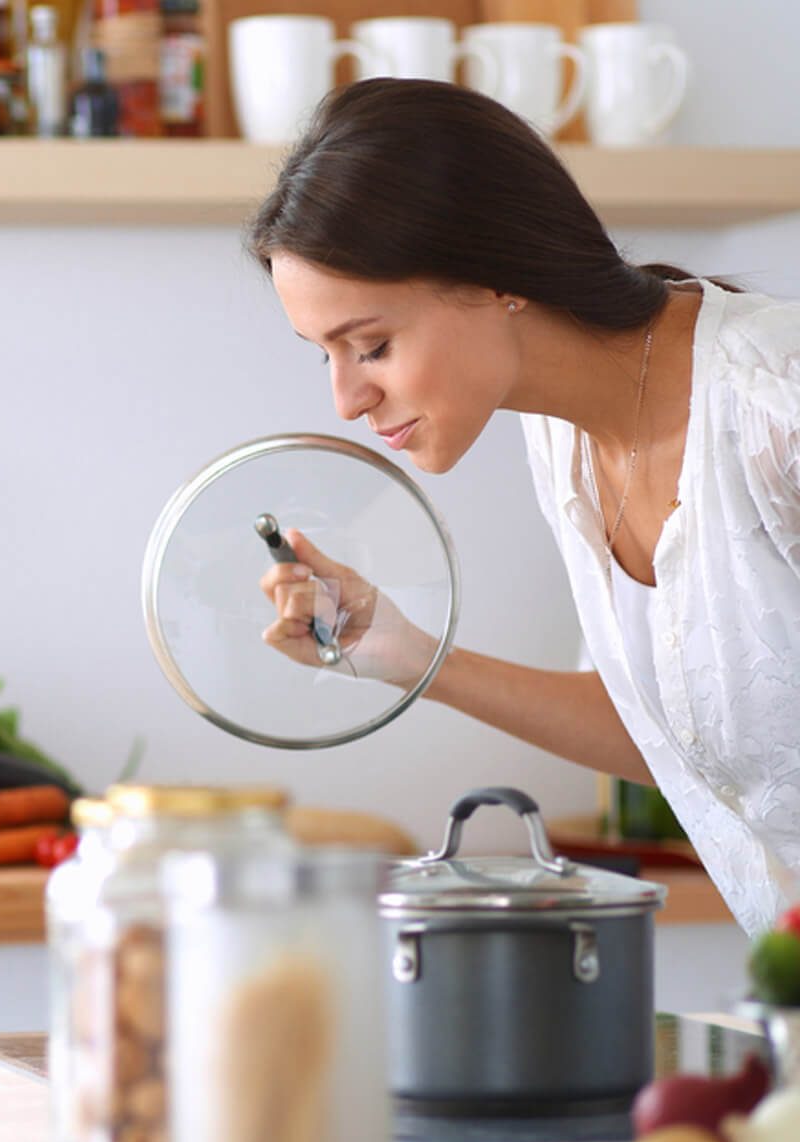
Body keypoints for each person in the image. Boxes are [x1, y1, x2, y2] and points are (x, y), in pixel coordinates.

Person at [249, 78, 800, 936]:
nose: (346, 399)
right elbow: (691, 740)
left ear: (498, 275)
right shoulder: (561, 441)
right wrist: (411, 657)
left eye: (371, 346)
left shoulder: (777, 402)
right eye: (324, 355)